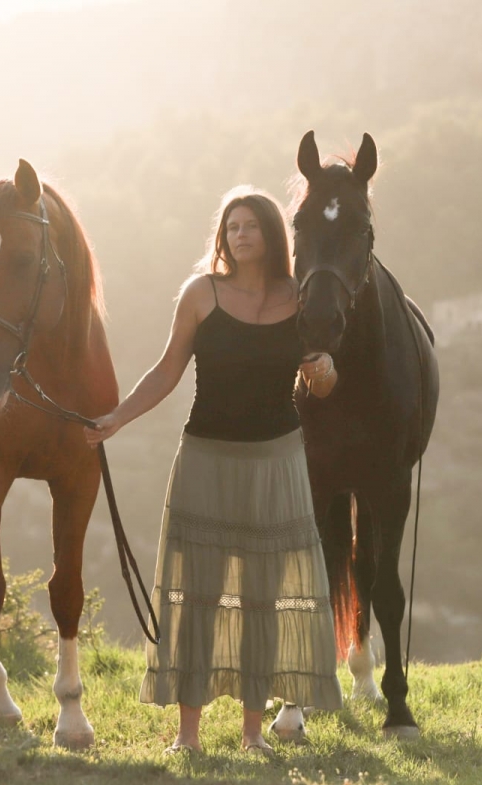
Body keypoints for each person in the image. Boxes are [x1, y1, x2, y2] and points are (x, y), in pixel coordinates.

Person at [84, 186, 343, 753]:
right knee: (197, 596)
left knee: (263, 599)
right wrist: (118, 417)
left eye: (250, 225)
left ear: (271, 235)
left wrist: (324, 370)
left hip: (276, 462)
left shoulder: (299, 298)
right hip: (206, 458)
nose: (239, 235)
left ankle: (254, 735)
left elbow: (319, 381)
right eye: (231, 227)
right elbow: (166, 370)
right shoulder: (200, 294)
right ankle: (188, 736)